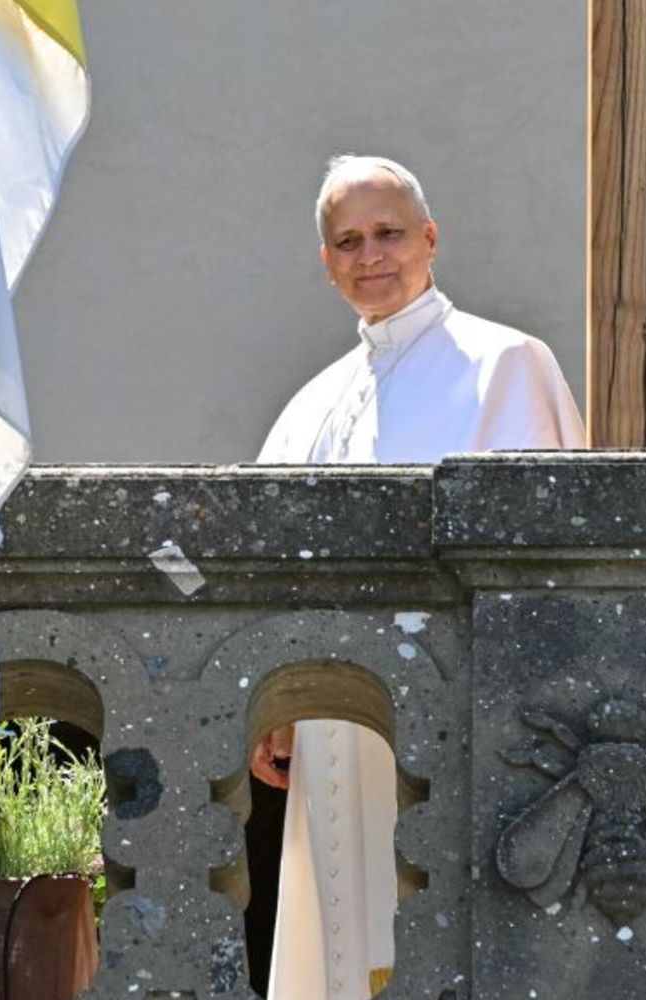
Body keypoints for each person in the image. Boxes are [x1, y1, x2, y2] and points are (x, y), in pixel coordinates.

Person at [253, 155, 585, 999]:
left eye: (389, 232)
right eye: (349, 241)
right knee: (340, 945)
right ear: (327, 265)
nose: (372, 254)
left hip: (454, 712)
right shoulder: (309, 405)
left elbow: (543, 572)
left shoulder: (506, 362)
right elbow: (264, 581)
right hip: (335, 719)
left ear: (430, 240)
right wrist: (270, 701)